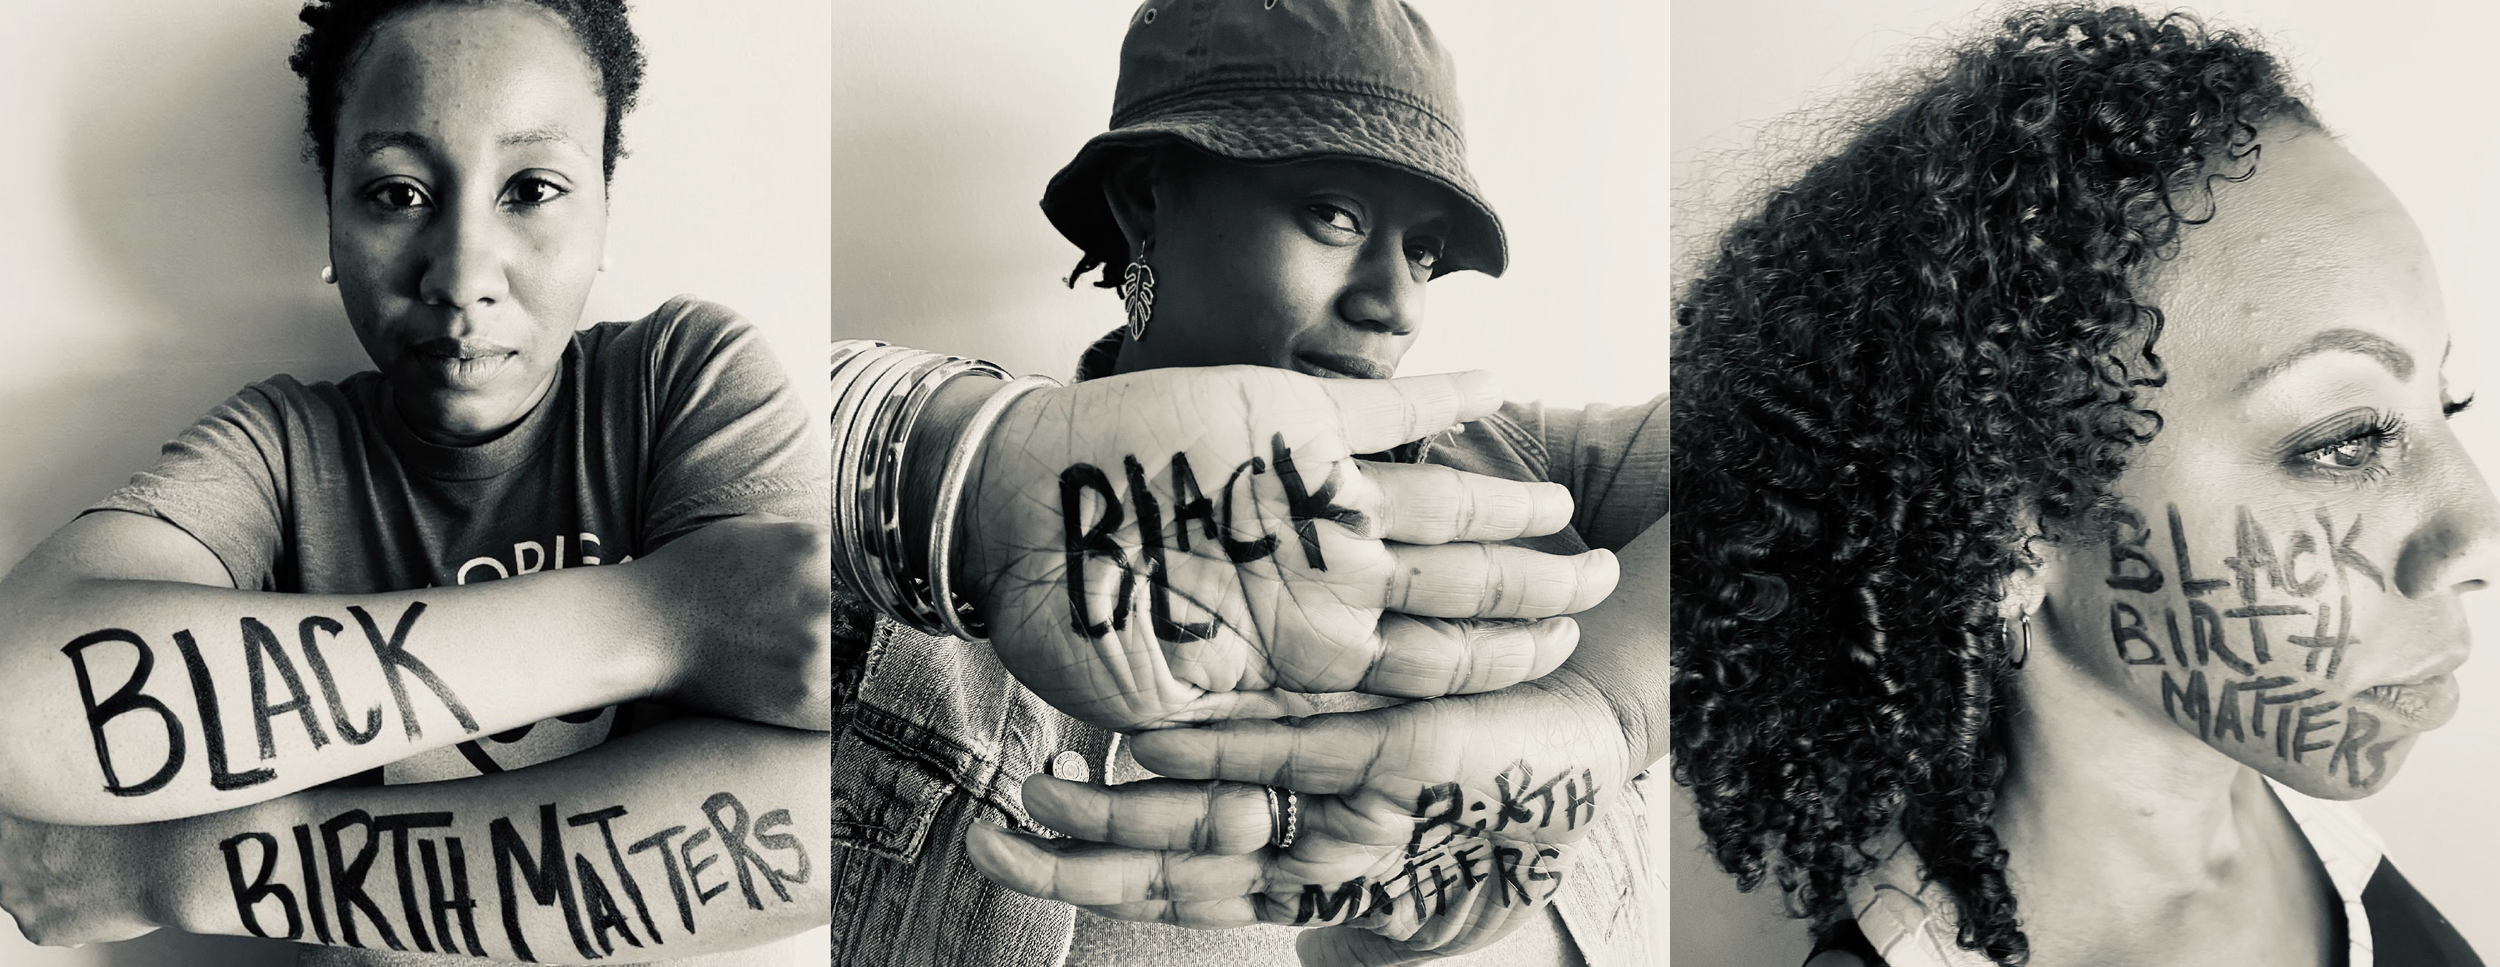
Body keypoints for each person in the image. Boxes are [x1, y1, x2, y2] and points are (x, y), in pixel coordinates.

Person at [830, 2, 1670, 965]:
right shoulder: (952, 556)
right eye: (1335, 213)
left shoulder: (1526, 475)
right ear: (1147, 198)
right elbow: (755, 478)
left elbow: (1839, 439)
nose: (1395, 303)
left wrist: (1607, 712)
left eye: (1424, 252)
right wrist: (974, 477)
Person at [0, 2, 838, 964]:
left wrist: (165, 868)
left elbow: (823, 810)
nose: (463, 273)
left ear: (606, 205)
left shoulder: (678, 381)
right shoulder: (284, 448)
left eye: (531, 187)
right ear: (331, 216)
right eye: (397, 193)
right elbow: (18, 706)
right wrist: (665, 617)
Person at [1669, 5, 2490, 965]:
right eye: (2349, 439)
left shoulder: (2316, 844)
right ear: (2004, 533)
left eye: (2448, 400)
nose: (2478, 531)